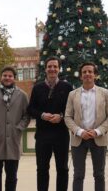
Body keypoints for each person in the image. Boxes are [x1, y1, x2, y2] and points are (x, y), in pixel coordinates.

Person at [64, 62, 108, 191]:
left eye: (90, 72)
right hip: (79, 139)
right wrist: (80, 131)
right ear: (81, 76)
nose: (87, 74)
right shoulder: (72, 94)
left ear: (95, 75)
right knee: (78, 175)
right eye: (84, 72)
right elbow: (67, 116)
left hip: (98, 138)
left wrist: (98, 131)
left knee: (99, 175)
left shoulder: (105, 93)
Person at [0, 66, 30, 191]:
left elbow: (27, 115)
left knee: (12, 177)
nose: (7, 78)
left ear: (14, 78)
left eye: (10, 76)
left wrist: (19, 127)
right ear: (1, 77)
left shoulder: (22, 95)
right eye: (5, 75)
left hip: (13, 141)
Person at [27, 56, 73, 191]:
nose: (52, 69)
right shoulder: (38, 88)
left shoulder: (67, 87)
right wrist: (42, 115)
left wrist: (61, 116)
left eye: (55, 66)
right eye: (49, 67)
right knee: (41, 169)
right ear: (45, 69)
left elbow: (72, 109)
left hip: (61, 135)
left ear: (59, 69)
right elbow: (30, 109)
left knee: (63, 169)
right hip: (42, 136)